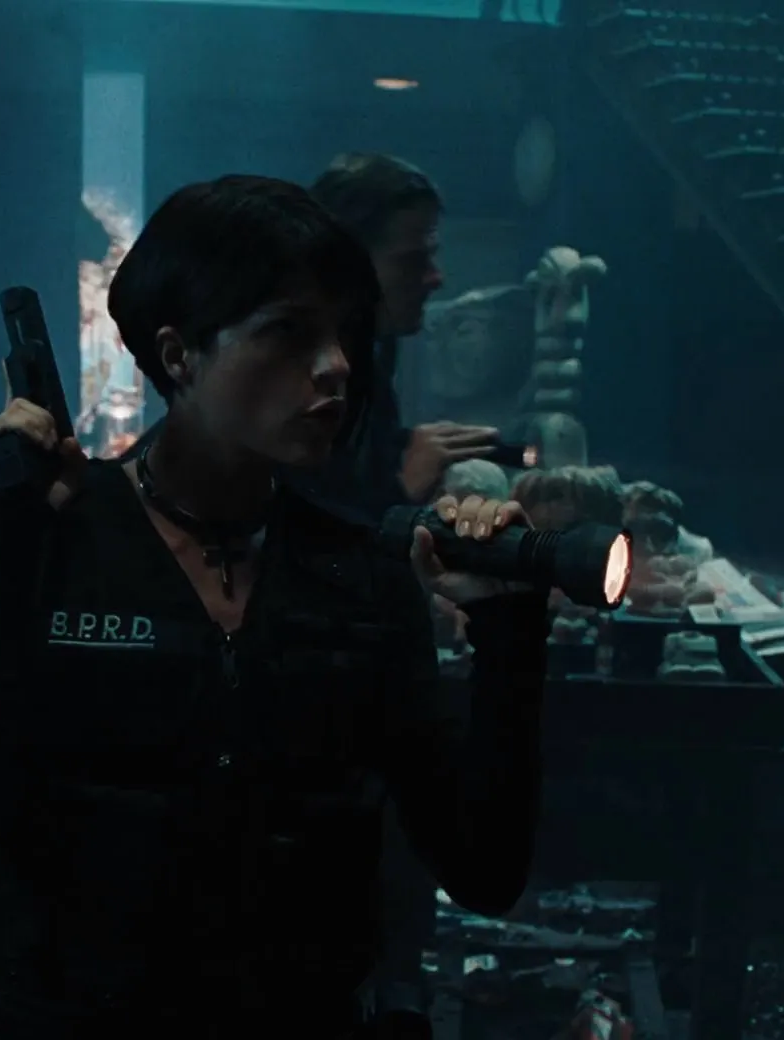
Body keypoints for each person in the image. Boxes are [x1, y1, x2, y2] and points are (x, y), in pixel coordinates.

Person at [0, 174, 551, 1037]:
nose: (336, 366)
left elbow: (483, 871)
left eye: (343, 333)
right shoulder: (53, 540)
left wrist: (511, 631)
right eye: (287, 332)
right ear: (180, 355)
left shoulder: (359, 573)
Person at [309, 151, 504, 1022]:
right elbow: (288, 532)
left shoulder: (366, 356)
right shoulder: (317, 369)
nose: (436, 276)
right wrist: (401, 481)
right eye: (414, 256)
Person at [301, 152, 501, 520]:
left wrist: (410, 447)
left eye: (430, 257)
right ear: (346, 266)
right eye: (411, 261)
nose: (436, 278)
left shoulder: (374, 349)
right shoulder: (296, 378)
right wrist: (400, 490)